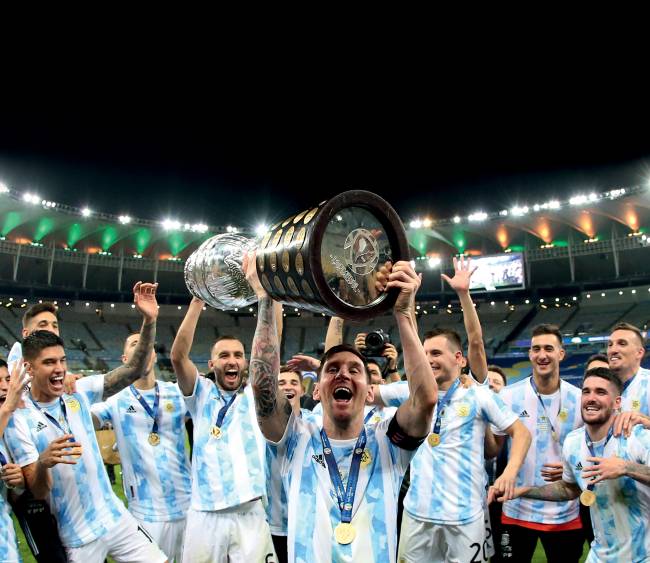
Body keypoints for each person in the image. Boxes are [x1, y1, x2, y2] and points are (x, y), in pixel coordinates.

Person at [247, 255, 437, 562]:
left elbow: (425, 399)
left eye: (354, 369)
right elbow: (263, 388)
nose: (343, 374)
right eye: (332, 369)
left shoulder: (388, 441)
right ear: (318, 391)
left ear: (368, 391)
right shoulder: (296, 437)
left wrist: (403, 313)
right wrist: (266, 299)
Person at [4, 282, 168, 563]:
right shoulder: (18, 418)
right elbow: (40, 491)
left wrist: (149, 321)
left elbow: (133, 369)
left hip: (116, 519)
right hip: (78, 538)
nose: (59, 369)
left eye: (62, 361)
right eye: (49, 363)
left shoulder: (77, 391)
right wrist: (43, 462)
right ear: (29, 368)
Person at [391, 258, 530, 562]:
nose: (427, 360)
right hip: (419, 511)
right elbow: (411, 339)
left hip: (466, 509)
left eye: (436, 354)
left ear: (460, 359)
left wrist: (464, 294)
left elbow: (477, 343)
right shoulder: (414, 392)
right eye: (424, 355)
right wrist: (407, 299)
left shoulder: (477, 390)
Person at [492, 367, 650, 562]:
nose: (591, 398)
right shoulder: (573, 443)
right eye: (586, 391)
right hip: (600, 556)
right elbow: (569, 489)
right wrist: (523, 491)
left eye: (601, 392)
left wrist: (626, 468)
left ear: (617, 402)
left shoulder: (637, 436)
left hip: (643, 555)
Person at [170, 296, 275, 562]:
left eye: (238, 355)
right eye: (224, 355)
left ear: (246, 363)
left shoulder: (255, 394)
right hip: (205, 512)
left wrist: (269, 297)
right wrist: (197, 302)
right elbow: (178, 356)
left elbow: (272, 346)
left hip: (250, 511)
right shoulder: (200, 394)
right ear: (211, 364)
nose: (232, 361)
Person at [91, 331, 192, 562]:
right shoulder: (115, 400)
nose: (142, 347)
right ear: (125, 359)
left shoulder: (176, 393)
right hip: (146, 513)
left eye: (147, 344)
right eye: (135, 344)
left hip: (187, 506)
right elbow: (83, 419)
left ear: (154, 355)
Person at [493, 324, 584, 562]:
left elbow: (588, 452)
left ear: (561, 354)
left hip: (564, 514)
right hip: (516, 510)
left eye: (548, 348)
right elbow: (493, 450)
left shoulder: (579, 399)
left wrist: (573, 469)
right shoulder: (509, 396)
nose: (542, 355)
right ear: (530, 354)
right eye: (536, 349)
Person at [266, 365, 319, 563]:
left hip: (308, 522)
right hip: (274, 522)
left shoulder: (316, 421)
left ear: (302, 390)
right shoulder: (262, 424)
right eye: (281, 383)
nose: (288, 387)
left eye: (293, 383)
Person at [0, 358, 30, 563]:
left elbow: (11, 497)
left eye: (7, 379)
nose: (4, 386)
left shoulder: (8, 436)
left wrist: (18, 484)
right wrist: (7, 408)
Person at [607, 323, 650, 432]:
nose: (613, 350)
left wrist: (646, 423)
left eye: (622, 343)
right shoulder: (600, 387)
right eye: (610, 345)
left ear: (639, 353)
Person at [6, 302, 60, 373]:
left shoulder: (68, 378)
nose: (51, 330)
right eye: (43, 325)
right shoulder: (9, 375)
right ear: (26, 334)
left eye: (55, 326)